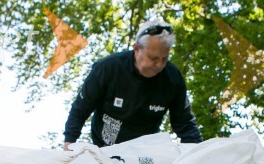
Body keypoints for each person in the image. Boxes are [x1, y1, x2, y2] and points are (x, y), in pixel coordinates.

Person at [63, 18, 203, 149]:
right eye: (153, 58)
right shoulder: (108, 69)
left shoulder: (173, 79)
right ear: (136, 49)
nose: (159, 65)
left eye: (164, 58)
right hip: (105, 149)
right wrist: (68, 147)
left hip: (144, 153)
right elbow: (80, 110)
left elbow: (185, 124)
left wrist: (199, 157)